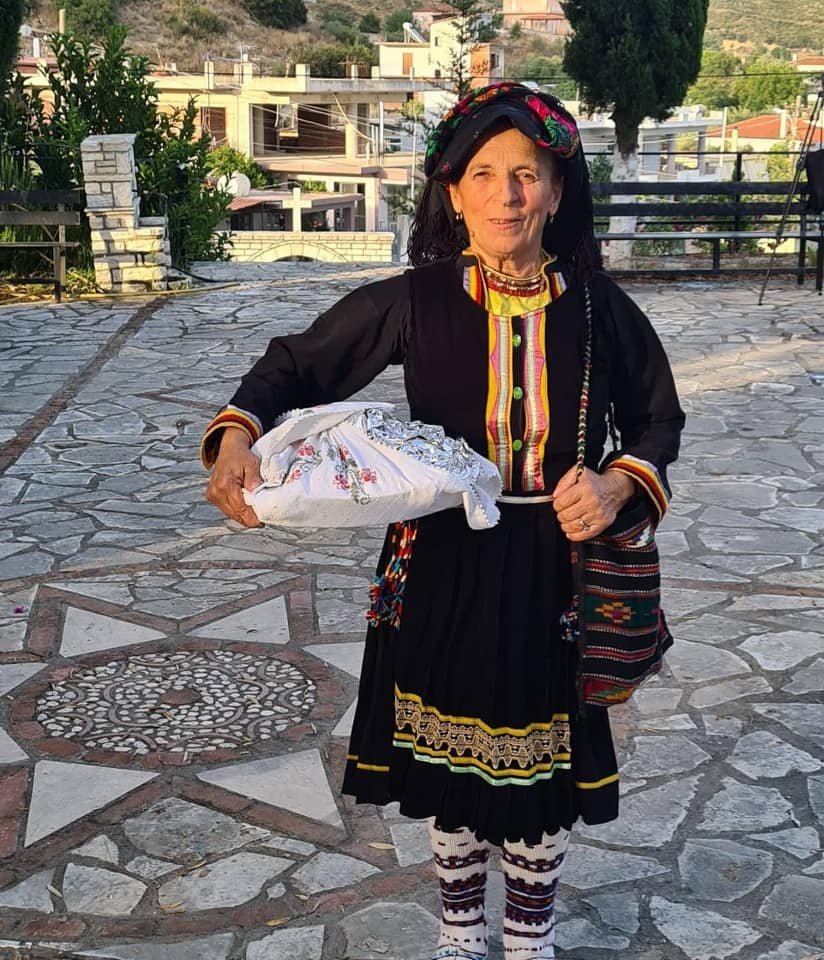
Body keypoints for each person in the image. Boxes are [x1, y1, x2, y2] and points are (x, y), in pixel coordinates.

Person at [202, 81, 684, 960]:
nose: (508, 194)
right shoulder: (415, 301)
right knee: (448, 755)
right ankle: (460, 928)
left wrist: (618, 486)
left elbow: (659, 418)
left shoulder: (597, 306)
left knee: (541, 763)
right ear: (454, 194)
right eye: (484, 175)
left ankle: (529, 934)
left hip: (555, 569)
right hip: (441, 562)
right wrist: (237, 434)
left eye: (527, 174)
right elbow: (297, 364)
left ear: (556, 193)